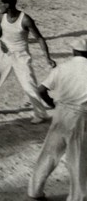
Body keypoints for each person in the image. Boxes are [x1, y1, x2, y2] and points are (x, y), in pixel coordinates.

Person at [0, 0, 53, 124]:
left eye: (0, 3)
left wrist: (47, 58)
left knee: (29, 84)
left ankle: (41, 114)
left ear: (7, 4)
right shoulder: (1, 16)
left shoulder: (25, 19)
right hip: (3, 53)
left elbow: (39, 38)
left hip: (21, 55)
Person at [27, 38, 87, 201]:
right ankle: (77, 197)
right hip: (80, 116)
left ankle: (34, 190)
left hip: (61, 113)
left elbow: (41, 90)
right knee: (78, 159)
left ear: (73, 51)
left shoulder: (63, 67)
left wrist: (52, 104)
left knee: (49, 153)